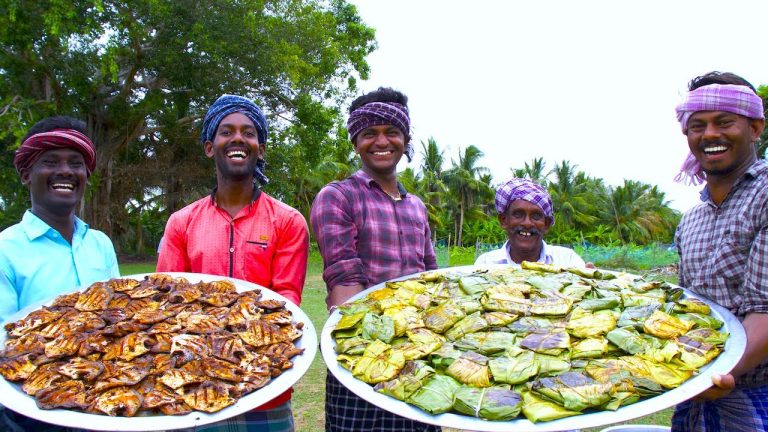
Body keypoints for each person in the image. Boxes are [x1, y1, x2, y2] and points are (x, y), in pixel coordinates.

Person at [157, 94, 309, 432]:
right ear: (210, 147)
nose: (238, 138)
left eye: (249, 132)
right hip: (194, 391)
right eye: (226, 132)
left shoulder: (287, 221)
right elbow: (167, 301)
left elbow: (287, 303)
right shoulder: (182, 222)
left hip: (265, 389)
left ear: (261, 148)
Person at [310, 87, 440, 432]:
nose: (381, 141)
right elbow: (344, 285)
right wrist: (372, 355)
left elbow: (431, 280)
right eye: (370, 133)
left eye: (391, 132)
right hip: (361, 358)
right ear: (356, 142)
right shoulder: (338, 197)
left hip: (420, 358)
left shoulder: (417, 207)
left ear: (405, 138)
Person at [0, 116, 119, 430]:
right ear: (27, 174)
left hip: (105, 400)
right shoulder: (6, 250)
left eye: (76, 164)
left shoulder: (100, 245)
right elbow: (3, 344)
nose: (66, 171)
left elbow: (123, 316)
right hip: (34, 413)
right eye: (50, 162)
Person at [672, 71, 768, 431]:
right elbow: (687, 308)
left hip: (756, 390)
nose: (710, 134)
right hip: (693, 393)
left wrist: (713, 371)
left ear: (755, 128)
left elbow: (765, 310)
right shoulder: (691, 220)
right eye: (698, 125)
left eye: (724, 122)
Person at [475, 178, 586, 267]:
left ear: (546, 224)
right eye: (518, 214)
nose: (527, 223)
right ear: (504, 220)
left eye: (536, 216)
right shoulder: (485, 264)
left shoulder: (568, 261)